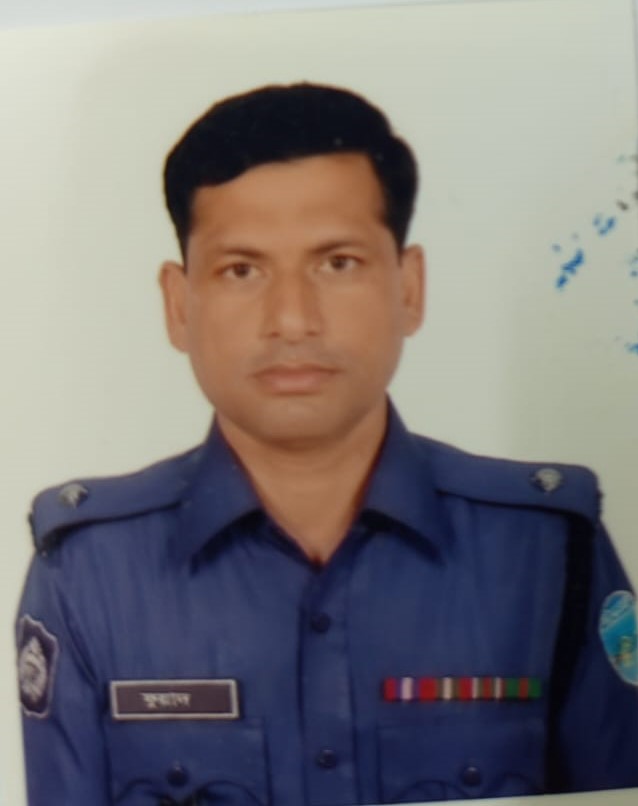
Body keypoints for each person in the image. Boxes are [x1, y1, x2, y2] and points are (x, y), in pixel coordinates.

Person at [16, 83, 638, 806]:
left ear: (409, 288)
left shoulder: (546, 549)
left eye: (337, 262)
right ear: (179, 305)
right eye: (242, 270)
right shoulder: (89, 572)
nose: (292, 318)